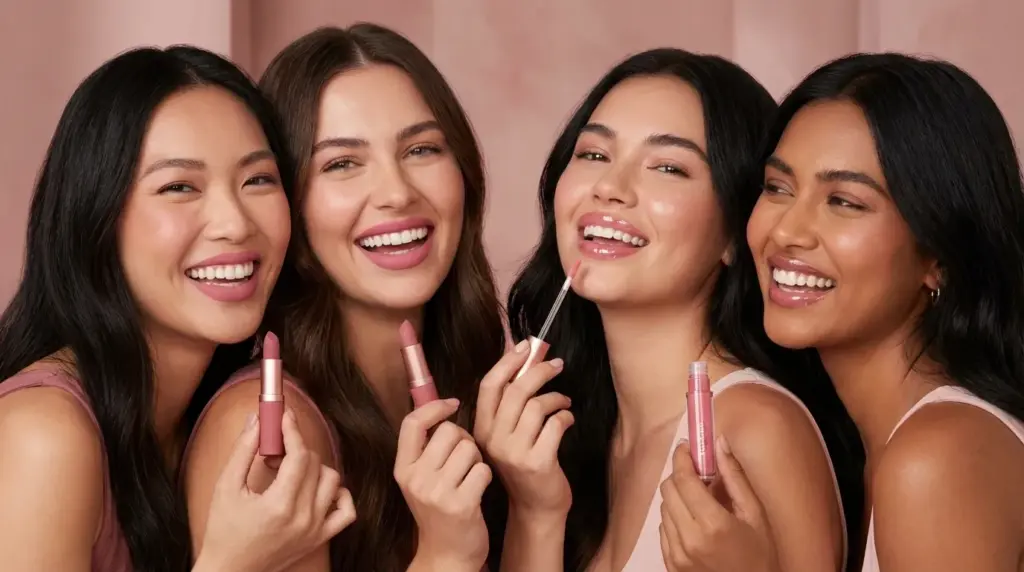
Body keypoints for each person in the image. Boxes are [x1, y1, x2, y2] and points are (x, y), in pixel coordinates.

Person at [486, 48, 864, 572]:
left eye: (668, 167)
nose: (610, 189)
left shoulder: (755, 430)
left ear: (736, 231)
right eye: (594, 154)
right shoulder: (581, 430)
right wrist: (534, 508)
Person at [0, 46, 354, 572]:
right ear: (96, 217)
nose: (234, 223)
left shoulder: (213, 419)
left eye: (258, 179)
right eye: (179, 187)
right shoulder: (43, 436)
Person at [183, 25, 506, 572]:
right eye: (341, 163)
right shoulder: (272, 430)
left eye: (422, 149)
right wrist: (446, 555)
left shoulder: (470, 381)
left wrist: (538, 506)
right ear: (288, 203)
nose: (398, 192)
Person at [747, 52, 1024, 572]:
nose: (785, 231)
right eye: (777, 188)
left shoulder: (936, 460)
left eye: (844, 201)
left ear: (938, 256)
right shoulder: (870, 447)